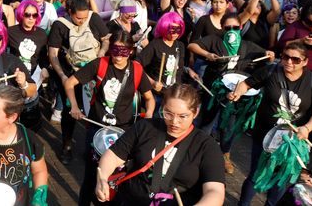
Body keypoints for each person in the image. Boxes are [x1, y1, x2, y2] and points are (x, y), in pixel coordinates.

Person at [64, 29, 155, 206]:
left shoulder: (136, 70)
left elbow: (149, 98)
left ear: (130, 51)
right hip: (97, 128)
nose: (118, 56)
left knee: (118, 176)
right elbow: (70, 83)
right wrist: (74, 106)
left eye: (123, 52)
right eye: (115, 50)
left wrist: (149, 115)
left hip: (124, 132)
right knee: (92, 175)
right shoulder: (100, 64)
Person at [95, 84, 226, 205]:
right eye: (168, 113)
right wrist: (102, 179)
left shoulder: (207, 146)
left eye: (183, 116)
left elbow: (215, 190)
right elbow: (114, 155)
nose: (174, 121)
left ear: (195, 113)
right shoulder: (145, 127)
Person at [230, 41, 312, 206]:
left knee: (282, 178)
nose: (289, 62)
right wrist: (237, 92)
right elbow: (247, 83)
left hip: (293, 140)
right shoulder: (271, 71)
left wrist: (307, 127)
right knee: (256, 174)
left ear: (305, 62)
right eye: (286, 57)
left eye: (295, 60)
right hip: (265, 135)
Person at [48, 0, 107, 162]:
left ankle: (93, 145)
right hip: (70, 72)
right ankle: (66, 144)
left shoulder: (93, 18)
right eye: (78, 18)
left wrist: (101, 54)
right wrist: (61, 75)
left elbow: (106, 39)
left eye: (84, 17)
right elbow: (53, 53)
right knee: (70, 110)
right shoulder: (60, 25)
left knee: (95, 108)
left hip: (94, 71)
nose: (82, 21)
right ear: (70, 12)